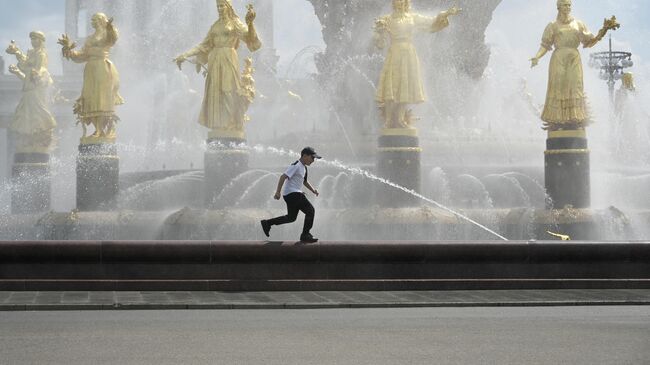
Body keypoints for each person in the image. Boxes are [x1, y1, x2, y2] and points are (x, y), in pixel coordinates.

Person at [173, 0, 261, 134]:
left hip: (228, 58)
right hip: (215, 61)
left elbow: (250, 39)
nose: (219, 9)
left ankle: (233, 123)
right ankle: (220, 125)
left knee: (228, 90)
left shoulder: (234, 23)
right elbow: (203, 45)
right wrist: (185, 55)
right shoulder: (215, 26)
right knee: (216, 92)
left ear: (228, 7)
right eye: (218, 6)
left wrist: (250, 23)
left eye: (222, 6)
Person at [530, 0, 619, 131]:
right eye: (565, 5)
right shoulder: (552, 26)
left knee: (575, 86)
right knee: (558, 88)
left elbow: (589, 41)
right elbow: (545, 45)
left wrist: (604, 30)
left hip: (574, 58)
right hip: (558, 58)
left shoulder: (578, 24)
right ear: (558, 7)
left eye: (569, 5)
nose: (568, 7)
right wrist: (537, 57)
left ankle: (574, 119)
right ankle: (558, 120)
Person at [374, 0, 460, 129]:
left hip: (408, 54)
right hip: (394, 53)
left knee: (405, 87)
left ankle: (400, 119)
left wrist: (446, 14)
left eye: (402, 0)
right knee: (392, 87)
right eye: (396, 0)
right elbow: (380, 45)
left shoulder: (413, 18)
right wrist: (380, 32)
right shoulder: (386, 19)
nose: (399, 2)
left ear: (405, 2)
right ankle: (389, 120)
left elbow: (431, 22)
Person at [59, 13, 124, 139]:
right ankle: (97, 129)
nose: (92, 22)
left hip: (103, 67)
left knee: (102, 98)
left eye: (94, 19)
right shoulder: (89, 38)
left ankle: (101, 130)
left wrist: (110, 27)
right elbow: (81, 56)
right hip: (90, 69)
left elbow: (113, 39)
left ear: (101, 20)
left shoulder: (107, 33)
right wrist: (68, 50)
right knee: (90, 98)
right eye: (91, 19)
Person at [5, 31, 57, 151]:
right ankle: (29, 140)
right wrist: (17, 70)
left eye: (35, 39)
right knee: (24, 116)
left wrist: (38, 74)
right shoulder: (32, 54)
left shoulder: (41, 54)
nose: (33, 41)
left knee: (39, 114)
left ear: (41, 40)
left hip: (35, 92)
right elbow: (27, 76)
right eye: (31, 39)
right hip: (28, 92)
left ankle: (40, 136)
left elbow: (39, 70)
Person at [261, 147, 322, 243]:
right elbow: (283, 176)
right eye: (312, 158)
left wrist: (313, 190)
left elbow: (304, 182)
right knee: (310, 210)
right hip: (292, 194)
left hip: (291, 195)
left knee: (291, 218)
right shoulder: (296, 165)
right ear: (305, 156)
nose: (313, 161)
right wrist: (277, 192)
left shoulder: (304, 168)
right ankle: (305, 235)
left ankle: (267, 223)